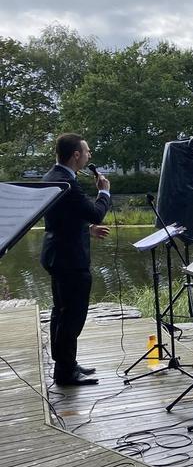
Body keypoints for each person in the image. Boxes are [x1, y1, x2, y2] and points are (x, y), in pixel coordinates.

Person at [41, 134, 111, 386]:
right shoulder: (67, 183)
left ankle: (66, 364)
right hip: (70, 259)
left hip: (56, 254)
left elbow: (63, 217)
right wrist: (104, 192)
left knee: (61, 312)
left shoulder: (51, 176)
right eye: (87, 151)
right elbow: (95, 213)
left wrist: (87, 229)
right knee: (72, 316)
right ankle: (65, 372)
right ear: (76, 155)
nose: (90, 155)